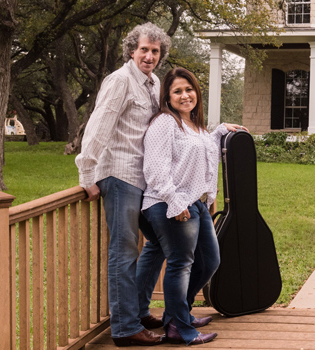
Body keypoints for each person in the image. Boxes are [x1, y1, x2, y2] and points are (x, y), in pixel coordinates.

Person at [75, 22, 171, 347]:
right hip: (119, 175)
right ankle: (126, 328)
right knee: (124, 250)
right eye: (144, 49)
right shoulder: (119, 81)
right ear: (132, 50)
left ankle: (139, 311)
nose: (149, 56)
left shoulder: (154, 83)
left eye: (155, 51)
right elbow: (98, 126)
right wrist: (87, 174)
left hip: (144, 178)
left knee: (158, 240)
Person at [140, 67, 248, 345]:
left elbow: (201, 151)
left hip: (195, 203)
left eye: (189, 89)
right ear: (168, 96)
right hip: (170, 204)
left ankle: (179, 313)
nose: (185, 95)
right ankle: (178, 326)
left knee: (210, 261)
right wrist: (175, 203)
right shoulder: (164, 122)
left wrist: (220, 130)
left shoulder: (195, 126)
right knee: (181, 264)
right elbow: (154, 169)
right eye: (177, 91)